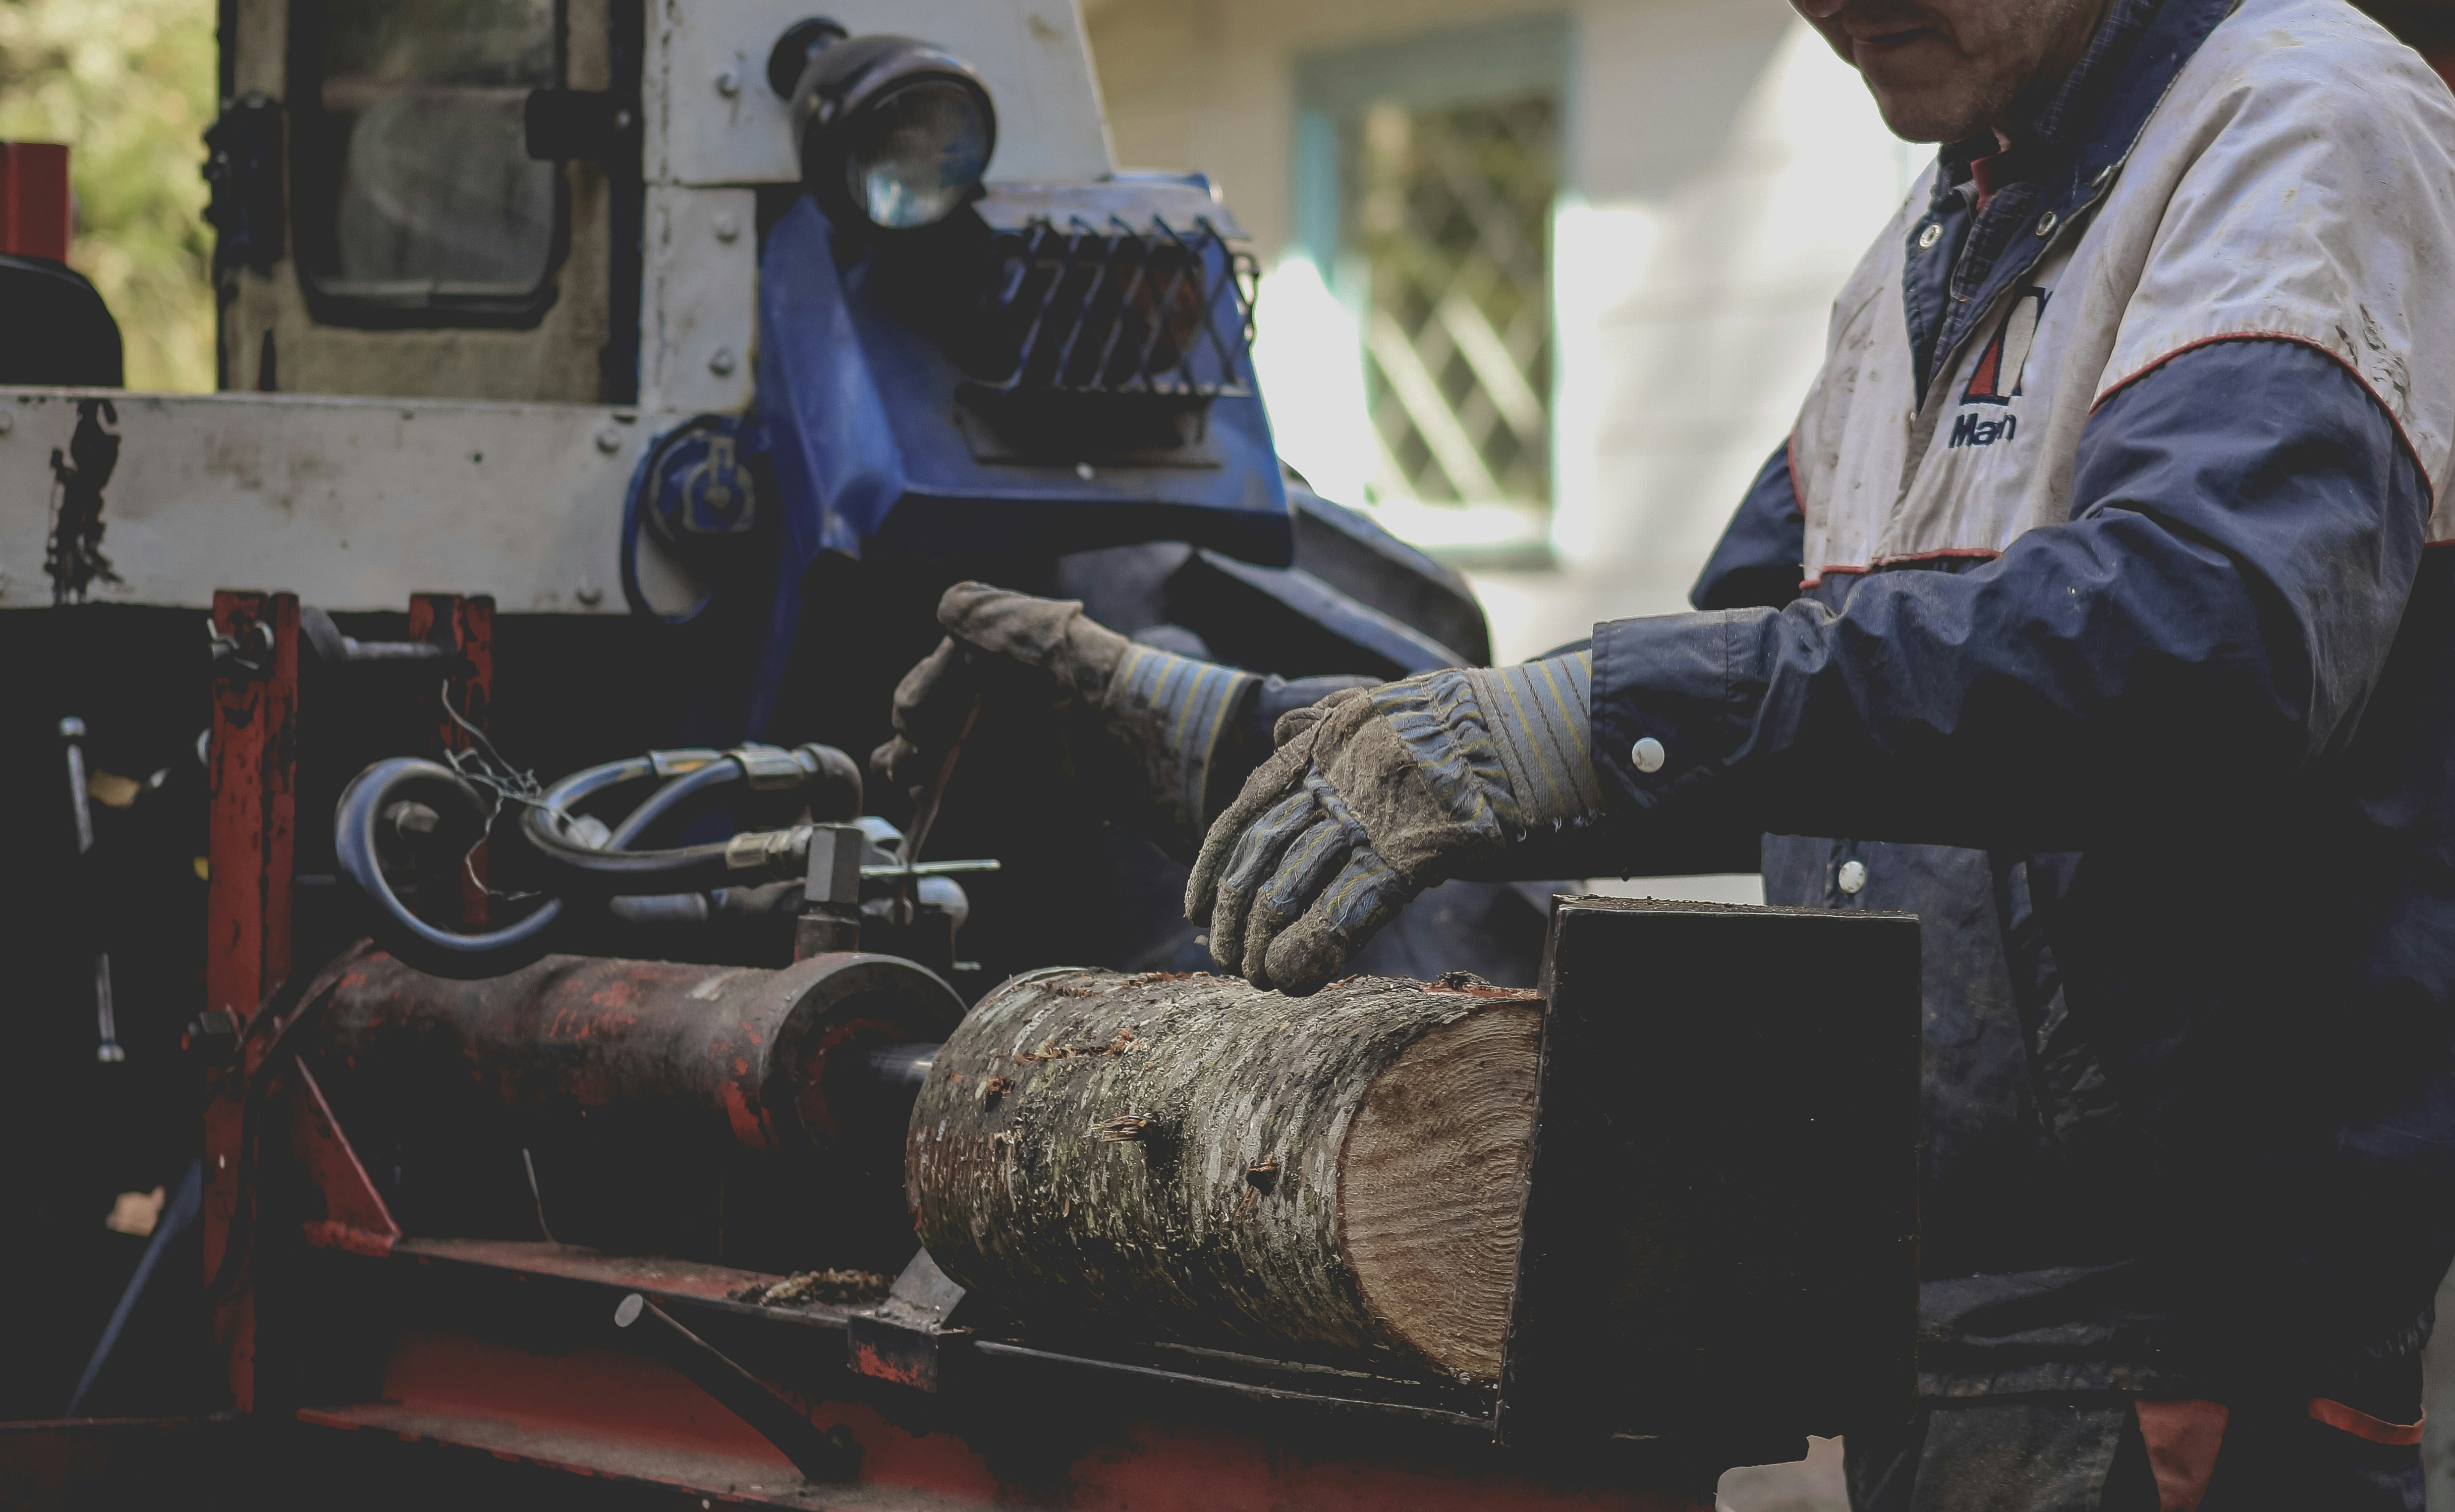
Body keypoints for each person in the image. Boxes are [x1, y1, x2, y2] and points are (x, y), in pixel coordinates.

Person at [886, 0, 2455, 1502]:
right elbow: (1746, 714)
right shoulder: (1947, 230)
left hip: (2173, 1333)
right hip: (1950, 1326)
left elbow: (2196, 656)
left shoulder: (2290, 121)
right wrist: (1258, 734)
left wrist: (1593, 728)